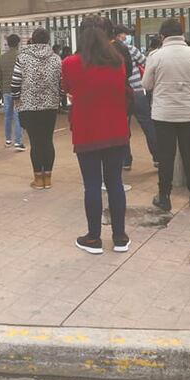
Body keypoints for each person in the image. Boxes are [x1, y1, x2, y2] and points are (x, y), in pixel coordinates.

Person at [61, 17, 131, 254]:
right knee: (115, 183)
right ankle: (120, 237)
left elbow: (68, 88)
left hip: (87, 132)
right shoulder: (118, 62)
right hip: (116, 131)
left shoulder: (70, 63)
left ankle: (93, 238)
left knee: (91, 185)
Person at [142, 18, 190, 212]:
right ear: (182, 34)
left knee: (166, 156)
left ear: (162, 36)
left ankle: (164, 197)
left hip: (163, 115)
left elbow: (146, 84)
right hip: (189, 113)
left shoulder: (156, 56)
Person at [11, 28, 62, 189]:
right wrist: (57, 96)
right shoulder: (56, 58)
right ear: (48, 41)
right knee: (47, 140)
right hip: (50, 107)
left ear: (32, 39)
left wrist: (16, 99)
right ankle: (48, 178)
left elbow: (15, 83)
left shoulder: (23, 57)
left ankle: (38, 180)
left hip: (29, 106)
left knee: (35, 142)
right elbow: (61, 83)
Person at [113, 24, 158, 170]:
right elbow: (146, 63)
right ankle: (157, 157)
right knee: (147, 125)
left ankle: (126, 161)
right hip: (137, 92)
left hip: (121, 94)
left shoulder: (109, 51)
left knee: (123, 128)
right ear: (120, 35)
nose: (126, 37)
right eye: (124, 34)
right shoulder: (131, 49)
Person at [0, 34, 25, 150]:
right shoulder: (21, 56)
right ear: (18, 43)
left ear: (7, 44)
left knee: (7, 116)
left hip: (6, 90)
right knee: (18, 115)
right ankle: (18, 142)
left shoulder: (2, 58)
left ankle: (8, 140)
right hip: (19, 90)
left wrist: (2, 88)